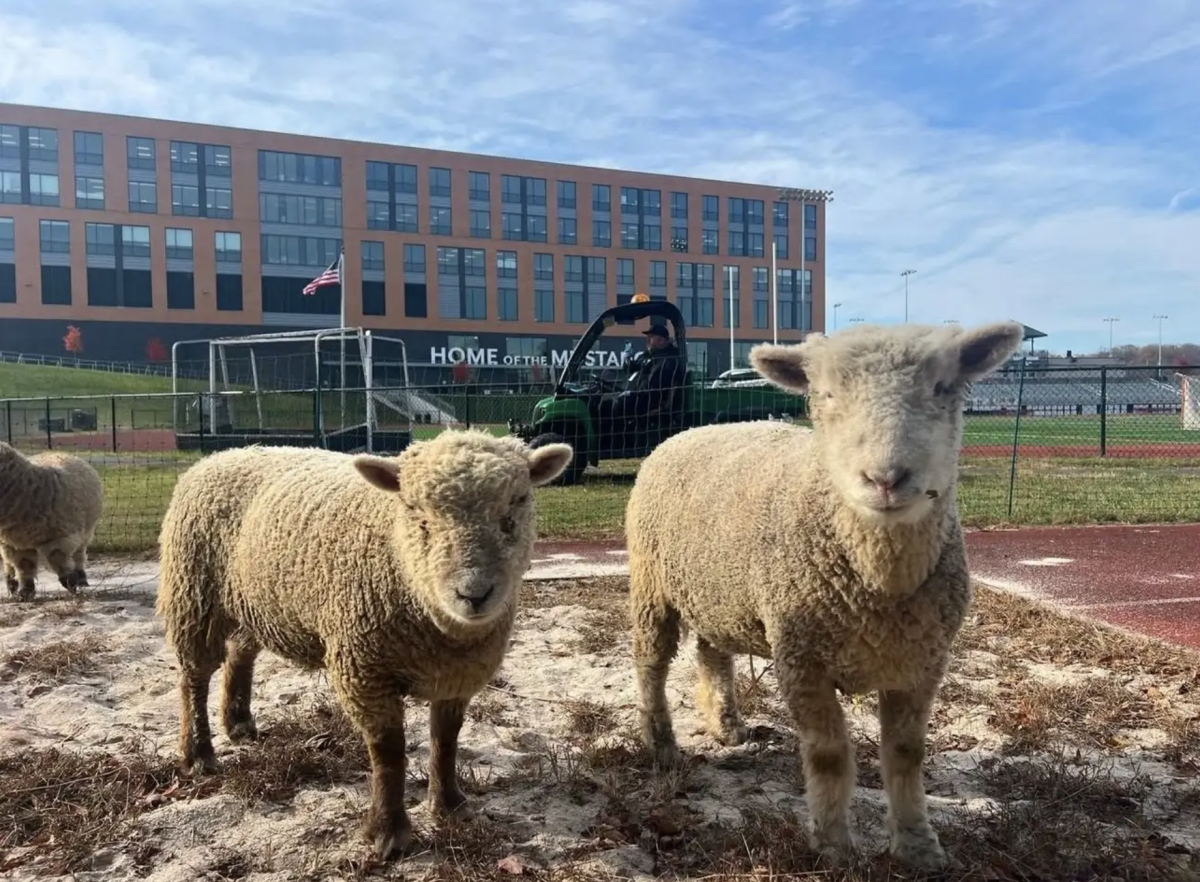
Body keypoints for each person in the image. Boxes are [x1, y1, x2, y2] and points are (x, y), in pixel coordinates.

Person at [599, 323, 686, 439]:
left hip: (649, 399)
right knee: (603, 402)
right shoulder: (650, 355)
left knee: (617, 404)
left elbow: (654, 387)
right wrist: (627, 358)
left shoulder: (666, 361)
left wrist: (632, 394)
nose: (648, 340)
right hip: (640, 395)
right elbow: (632, 367)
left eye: (651, 338)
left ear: (662, 341)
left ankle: (616, 440)